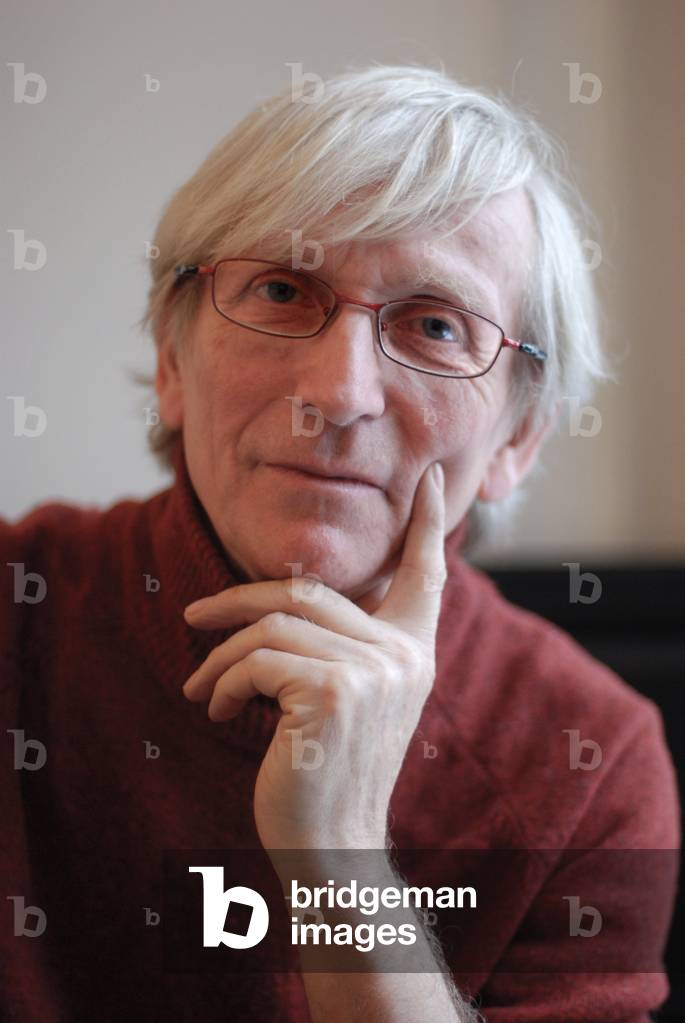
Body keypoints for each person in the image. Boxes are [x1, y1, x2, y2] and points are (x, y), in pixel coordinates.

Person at [2, 64, 679, 1022]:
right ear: (170, 361)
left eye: (436, 324)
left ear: (517, 442)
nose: (339, 392)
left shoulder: (589, 761)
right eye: (282, 288)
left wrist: (341, 859)